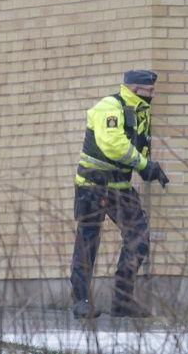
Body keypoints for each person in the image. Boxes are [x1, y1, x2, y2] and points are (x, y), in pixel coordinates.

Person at [70, 69, 170, 319]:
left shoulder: (140, 113)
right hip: (92, 185)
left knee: (139, 237)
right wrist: (144, 165)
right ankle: (81, 302)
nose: (153, 95)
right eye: (150, 91)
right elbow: (113, 145)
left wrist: (151, 169)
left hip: (120, 187)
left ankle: (122, 301)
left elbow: (138, 146)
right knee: (88, 242)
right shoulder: (110, 106)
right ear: (136, 89)